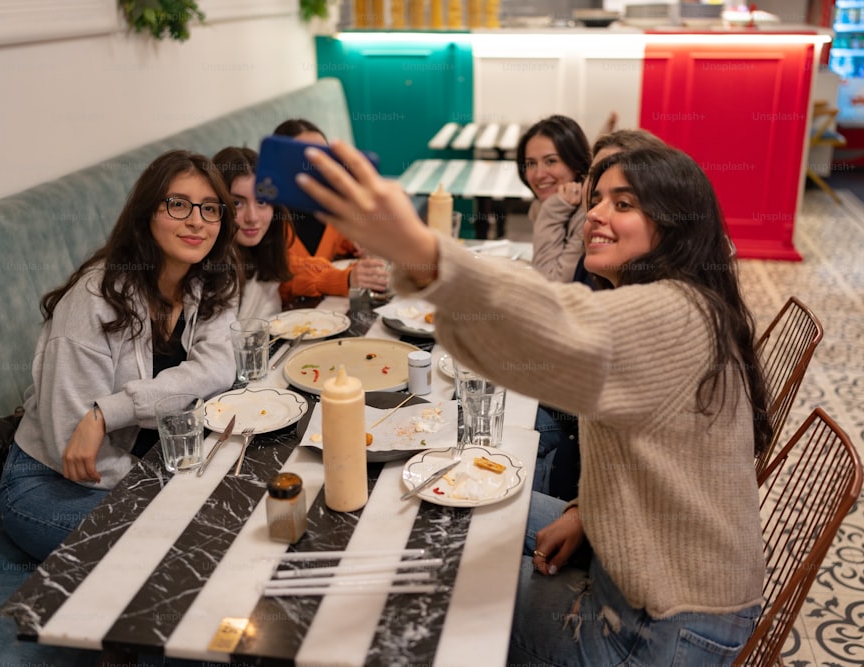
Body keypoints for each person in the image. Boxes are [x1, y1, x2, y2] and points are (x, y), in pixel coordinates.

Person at [295, 140, 771, 665]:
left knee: (434, 584)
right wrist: (585, 512)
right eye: (597, 199)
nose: (595, 214)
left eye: (623, 204)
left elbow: (552, 324)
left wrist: (426, 253)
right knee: (449, 504)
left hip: (659, 628)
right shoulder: (687, 301)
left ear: (677, 227)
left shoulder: (675, 315)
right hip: (657, 582)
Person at [0, 150, 240, 561]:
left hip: (146, 462)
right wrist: (169, 486)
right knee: (190, 546)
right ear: (147, 213)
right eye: (178, 205)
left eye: (210, 208)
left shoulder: (207, 281)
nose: (197, 220)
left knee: (234, 517)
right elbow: (69, 443)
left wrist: (110, 412)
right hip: (53, 484)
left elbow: (216, 368)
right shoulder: (96, 298)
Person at [535, 128, 669, 500]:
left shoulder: (657, 311)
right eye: (594, 182)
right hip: (593, 474)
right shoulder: (613, 276)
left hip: (610, 509)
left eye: (623, 203)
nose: (594, 211)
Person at [270, 118, 389, 299]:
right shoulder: (267, 215)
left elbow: (347, 238)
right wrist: (346, 278)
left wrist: (364, 244)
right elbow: (285, 275)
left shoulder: (330, 206)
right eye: (306, 156)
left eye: (323, 155)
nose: (318, 165)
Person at [212, 146, 292, 318]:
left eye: (262, 201)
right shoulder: (210, 271)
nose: (252, 217)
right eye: (237, 204)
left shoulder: (266, 252)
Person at [515, 115, 591, 283]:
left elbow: (551, 284)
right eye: (531, 163)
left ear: (576, 164)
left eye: (551, 161)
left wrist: (552, 211)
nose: (539, 174)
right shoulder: (542, 204)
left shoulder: (588, 215)